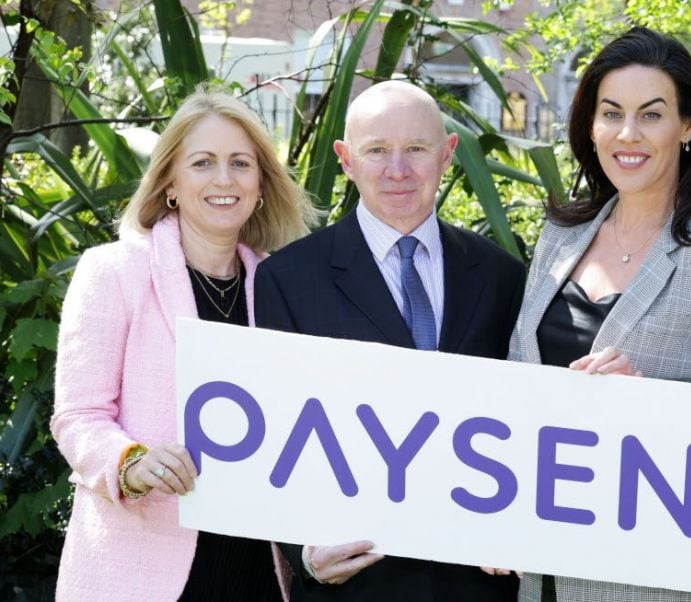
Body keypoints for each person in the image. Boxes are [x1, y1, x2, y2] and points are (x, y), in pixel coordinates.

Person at [507, 26, 691, 602]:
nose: (627, 134)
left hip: (652, 585)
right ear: (591, 125)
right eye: (611, 113)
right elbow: (517, 391)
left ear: (688, 127)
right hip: (543, 575)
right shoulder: (561, 235)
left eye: (651, 115)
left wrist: (650, 402)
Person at [253, 80, 524, 601]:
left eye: (416, 150)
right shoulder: (289, 280)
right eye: (376, 151)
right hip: (357, 583)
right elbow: (274, 438)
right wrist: (304, 553)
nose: (397, 170)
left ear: (447, 155)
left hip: (476, 585)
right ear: (346, 160)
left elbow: (525, 420)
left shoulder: (501, 276)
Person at [51, 88, 317, 601]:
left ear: (260, 182)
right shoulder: (114, 271)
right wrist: (130, 461)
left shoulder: (281, 286)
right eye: (203, 163)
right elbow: (78, 416)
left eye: (241, 163)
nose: (224, 179)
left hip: (258, 571)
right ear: (171, 181)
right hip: (141, 569)